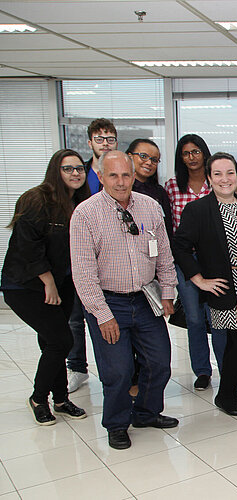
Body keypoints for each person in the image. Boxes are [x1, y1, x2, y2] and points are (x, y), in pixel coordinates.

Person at [70, 151, 178, 450]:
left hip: (145, 298)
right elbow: (83, 272)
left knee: (159, 362)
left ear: (134, 175)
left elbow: (164, 256)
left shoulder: (150, 208)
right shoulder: (86, 214)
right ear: (101, 177)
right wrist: (101, 314)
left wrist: (167, 292)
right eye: (113, 175)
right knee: (117, 371)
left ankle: (145, 413)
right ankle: (116, 424)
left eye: (126, 175)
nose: (120, 182)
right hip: (108, 301)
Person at [2, 149, 90, 425]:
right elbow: (29, 246)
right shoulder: (36, 198)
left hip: (61, 281)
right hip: (25, 284)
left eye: (79, 168)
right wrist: (48, 283)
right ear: (56, 171)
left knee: (52, 341)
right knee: (62, 339)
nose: (75, 173)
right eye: (68, 169)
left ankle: (61, 399)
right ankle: (39, 398)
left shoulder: (80, 202)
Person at [172, 152, 237, 417]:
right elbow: (179, 246)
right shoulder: (199, 210)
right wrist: (198, 279)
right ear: (209, 178)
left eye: (230, 173)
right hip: (225, 287)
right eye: (218, 174)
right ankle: (226, 395)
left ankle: (230, 393)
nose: (225, 179)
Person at [165, 134, 223, 390]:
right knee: (195, 318)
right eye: (186, 153)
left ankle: (226, 368)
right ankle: (202, 370)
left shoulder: (216, 184)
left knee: (218, 316)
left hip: (213, 259)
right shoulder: (172, 186)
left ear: (204, 154)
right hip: (185, 259)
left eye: (196, 151)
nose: (191, 157)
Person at [66, 118, 118, 393]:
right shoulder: (81, 173)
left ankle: (117, 372)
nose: (106, 143)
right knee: (77, 316)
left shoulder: (121, 169)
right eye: (100, 139)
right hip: (83, 254)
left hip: (113, 259)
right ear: (90, 143)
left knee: (109, 320)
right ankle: (76, 366)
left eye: (110, 138)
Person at [128, 139, 172, 238]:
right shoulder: (122, 190)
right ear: (130, 156)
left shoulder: (160, 192)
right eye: (143, 156)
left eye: (154, 160)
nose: (149, 162)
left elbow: (167, 228)